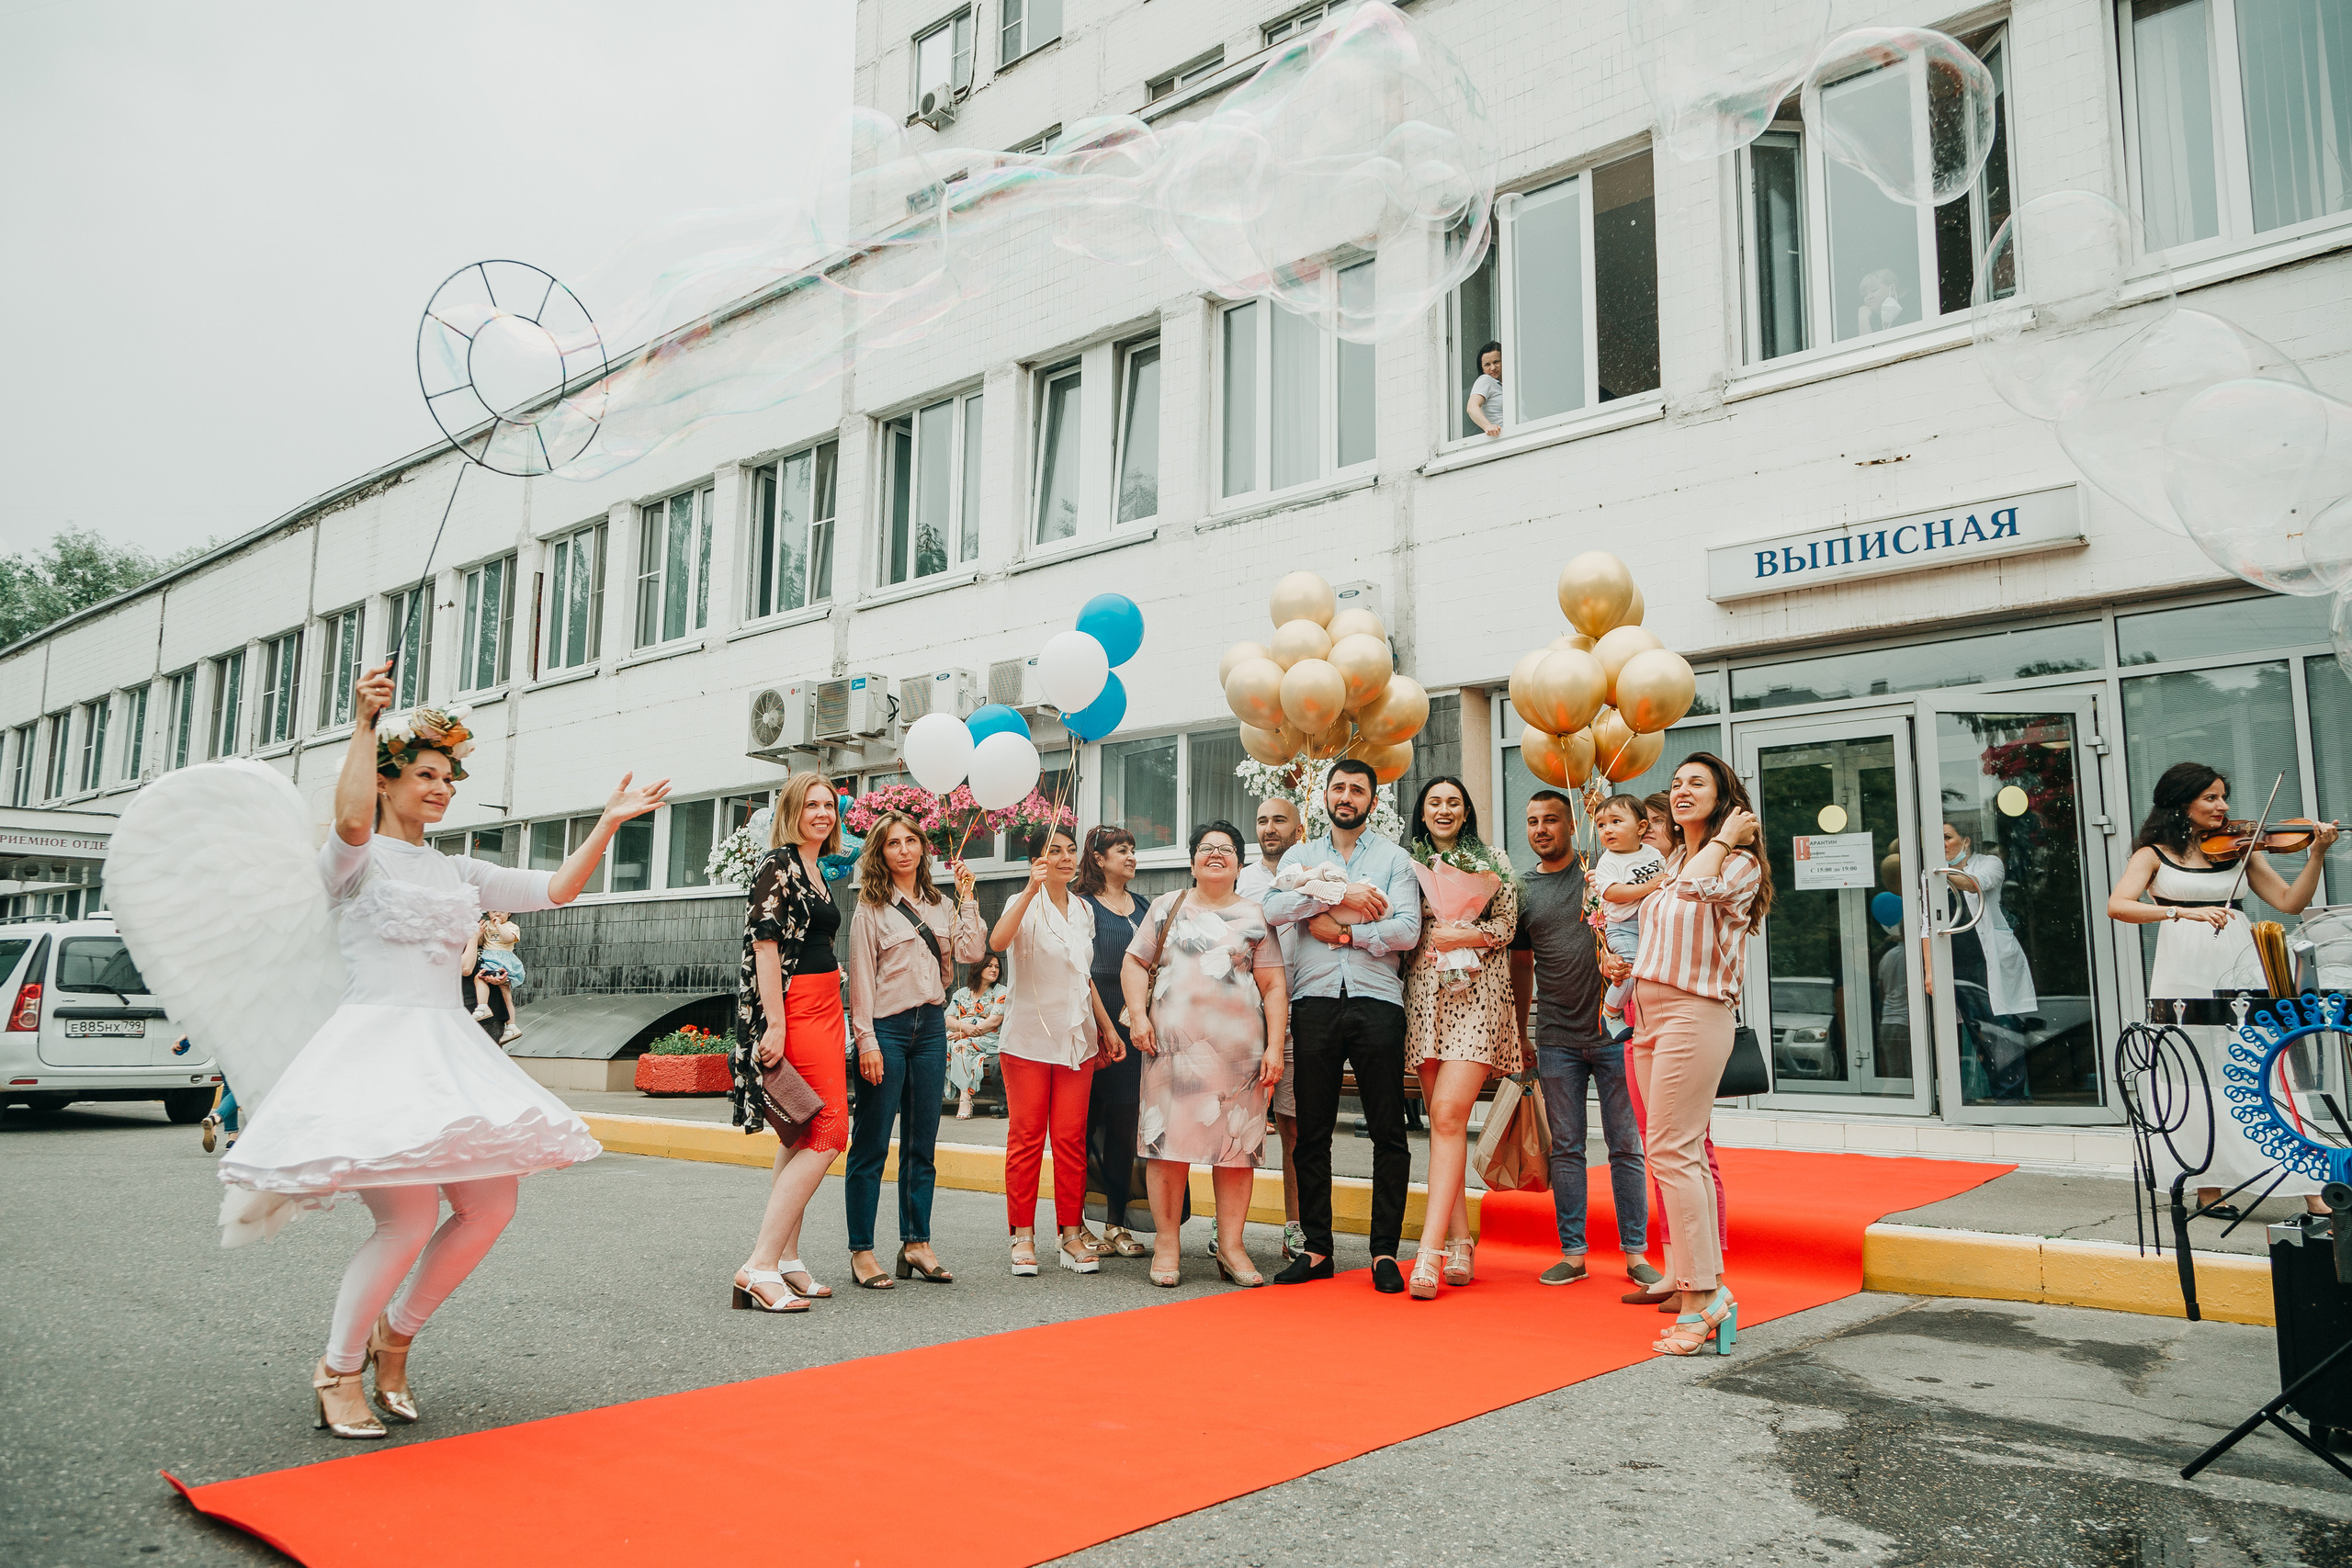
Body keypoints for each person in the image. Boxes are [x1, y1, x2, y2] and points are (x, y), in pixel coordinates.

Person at [217, 660, 661, 1435]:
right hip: (375, 1052)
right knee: (409, 1219)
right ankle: (337, 1369)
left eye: (449, 777)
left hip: (447, 1050)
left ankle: (396, 1338)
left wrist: (608, 823)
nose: (442, 787)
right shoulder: (352, 861)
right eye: (425, 774)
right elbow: (348, 821)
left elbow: (556, 890)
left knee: (492, 1203)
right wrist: (364, 722)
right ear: (385, 780)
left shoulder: (457, 870)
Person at [2107, 762, 2336, 1216]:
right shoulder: (2152, 855)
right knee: (2194, 1072)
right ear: (2181, 803)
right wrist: (2179, 912)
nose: (2223, 806)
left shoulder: (2241, 850)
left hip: (2240, 963)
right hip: (2183, 968)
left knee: (2265, 1064)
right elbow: (2118, 906)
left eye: (2223, 796)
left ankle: (2311, 1186)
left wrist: (2316, 854)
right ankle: (2207, 1186)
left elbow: (2292, 902)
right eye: (2210, 797)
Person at [1629, 752, 1771, 1357]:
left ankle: (1703, 1296)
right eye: (1676, 783)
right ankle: (1703, 1289)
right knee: (1667, 1152)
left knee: (1675, 1150)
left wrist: (1728, 836)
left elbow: (1697, 889)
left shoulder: (1736, 863)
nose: (1681, 790)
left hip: (1694, 1011)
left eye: (1696, 783)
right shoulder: (1673, 862)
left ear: (1724, 799)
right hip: (1647, 1015)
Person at [1262, 758, 1423, 1291]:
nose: (1346, 796)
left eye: (1357, 789)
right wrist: (1342, 896)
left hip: (1378, 1001)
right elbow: (1274, 908)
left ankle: (1384, 1253)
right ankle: (1317, 1249)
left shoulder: (1394, 858)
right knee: (1312, 1131)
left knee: (1388, 1130)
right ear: (1326, 796)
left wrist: (1345, 933)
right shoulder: (1300, 856)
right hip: (1314, 1002)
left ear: (1372, 801)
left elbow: (1407, 930)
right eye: (1339, 788)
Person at [1122, 820, 1289, 1289]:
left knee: (1235, 1153)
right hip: (1170, 1051)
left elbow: (1274, 985)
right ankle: (1167, 1243)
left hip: (1240, 1059)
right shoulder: (1167, 906)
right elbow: (1134, 962)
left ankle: (1232, 1247)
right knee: (1167, 1148)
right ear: (1193, 860)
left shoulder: (1256, 915)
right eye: (1206, 848)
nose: (1216, 854)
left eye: (1227, 849)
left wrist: (1275, 1046)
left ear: (1239, 863)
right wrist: (1139, 1017)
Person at [1508, 789, 1661, 1292]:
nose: (1541, 829)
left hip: (1616, 1033)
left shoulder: (1601, 871)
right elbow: (1521, 965)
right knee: (1568, 1149)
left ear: (1573, 825)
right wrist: (1521, 1031)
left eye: (1551, 819)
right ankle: (1573, 1254)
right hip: (1556, 1037)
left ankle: (1636, 1254)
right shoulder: (1523, 889)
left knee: (1626, 1147)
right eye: (1533, 820)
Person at [729, 771, 856, 1314]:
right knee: (829, 1130)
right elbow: (766, 946)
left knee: (800, 1130)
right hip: (797, 1009)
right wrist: (776, 1026)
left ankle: (785, 1258)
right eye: (811, 805)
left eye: (829, 805)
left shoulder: (817, 867)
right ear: (792, 811)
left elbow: (813, 939)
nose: (822, 814)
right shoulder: (777, 863)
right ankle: (758, 1265)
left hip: (825, 1006)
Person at [844, 810, 984, 1289]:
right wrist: (865, 1040)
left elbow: (971, 953)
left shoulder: (941, 904)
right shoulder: (871, 908)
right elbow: (861, 980)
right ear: (880, 853)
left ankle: (916, 1244)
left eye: (911, 840)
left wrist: (968, 897)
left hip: (930, 1030)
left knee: (921, 1145)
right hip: (886, 1030)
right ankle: (862, 1250)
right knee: (871, 1144)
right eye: (892, 843)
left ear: (923, 847)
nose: (903, 850)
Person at [1400, 777, 1520, 1299]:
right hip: (1425, 997)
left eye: (1454, 802)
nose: (1444, 810)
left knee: (1448, 1115)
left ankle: (1428, 1254)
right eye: (1435, 803)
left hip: (1478, 995)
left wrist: (1467, 933)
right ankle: (1461, 1242)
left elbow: (1508, 926)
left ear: (1466, 811)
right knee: (1440, 1123)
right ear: (1423, 813)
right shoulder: (1408, 864)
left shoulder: (1493, 861)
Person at [990, 824, 1123, 1277]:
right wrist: (1031, 889)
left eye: (1070, 850)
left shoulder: (1084, 909)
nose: (1065, 858)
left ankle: (1070, 1233)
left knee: (1070, 1140)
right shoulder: (1021, 900)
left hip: (1075, 1040)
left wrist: (1107, 1029)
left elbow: (1084, 978)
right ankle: (1022, 1235)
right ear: (1037, 860)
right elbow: (997, 943)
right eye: (1054, 851)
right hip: (1027, 1039)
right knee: (1027, 1139)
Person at [1237, 795, 1307, 1258]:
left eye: (1279, 820)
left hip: (1298, 1016)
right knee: (1237, 1127)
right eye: (1262, 821)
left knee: (1293, 1127)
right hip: (1247, 1018)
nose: (1269, 828)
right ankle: (1229, 1231)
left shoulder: (1313, 873)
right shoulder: (1242, 878)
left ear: (1298, 829)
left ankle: (1295, 1227)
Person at [1075, 824, 1149, 1258]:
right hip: (1090, 1024)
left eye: (1133, 849)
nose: (1131, 856)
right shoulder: (1082, 905)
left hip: (1133, 1027)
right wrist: (1102, 1027)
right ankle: (1074, 1223)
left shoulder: (1145, 907)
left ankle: (1116, 1224)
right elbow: (1077, 971)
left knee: (1125, 1127)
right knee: (1080, 1129)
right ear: (1099, 859)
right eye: (1122, 850)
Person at [1939, 822, 2040, 1103]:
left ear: (1966, 841)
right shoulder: (1932, 873)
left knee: (2001, 1031)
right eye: (1936, 839)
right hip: (1954, 965)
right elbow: (1926, 924)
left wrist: (1937, 872)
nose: (1942, 844)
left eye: (1947, 837)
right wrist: (1929, 970)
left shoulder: (1989, 864)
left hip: (1986, 962)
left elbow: (1975, 884)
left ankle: (2012, 1097)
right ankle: (1992, 1094)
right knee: (1976, 1033)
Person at [1591, 794, 1668, 1042]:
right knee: (1630, 972)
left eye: (1616, 822)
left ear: (1641, 827)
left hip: (1648, 926)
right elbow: (1611, 893)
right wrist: (1648, 887)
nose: (1607, 830)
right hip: (1624, 927)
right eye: (1601, 825)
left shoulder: (1653, 853)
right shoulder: (1608, 861)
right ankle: (1611, 1013)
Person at [945, 953, 1008, 1120]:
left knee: (960, 1046)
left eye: (997, 967)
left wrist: (965, 1033)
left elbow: (994, 1021)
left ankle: (965, 1098)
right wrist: (963, 1027)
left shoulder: (1001, 992)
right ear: (978, 968)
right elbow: (949, 1019)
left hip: (988, 1038)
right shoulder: (961, 993)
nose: (994, 970)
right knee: (947, 1045)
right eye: (990, 966)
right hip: (959, 1035)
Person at [464, 911, 526, 1043]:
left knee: (504, 994)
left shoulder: (510, 926)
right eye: (493, 911)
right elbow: (481, 942)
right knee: (492, 986)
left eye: (502, 911)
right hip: (489, 960)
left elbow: (509, 939)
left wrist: (498, 925)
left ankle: (507, 1023)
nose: (497, 913)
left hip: (502, 961)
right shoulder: (486, 925)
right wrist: (478, 934)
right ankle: (510, 1026)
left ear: (509, 913)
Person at [1467, 340, 1506, 439]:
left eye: (1496, 362)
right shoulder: (1485, 380)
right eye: (1487, 365)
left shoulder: (1509, 386)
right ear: (1482, 368)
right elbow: (1472, 407)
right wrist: (1488, 426)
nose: (1493, 368)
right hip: (1503, 437)